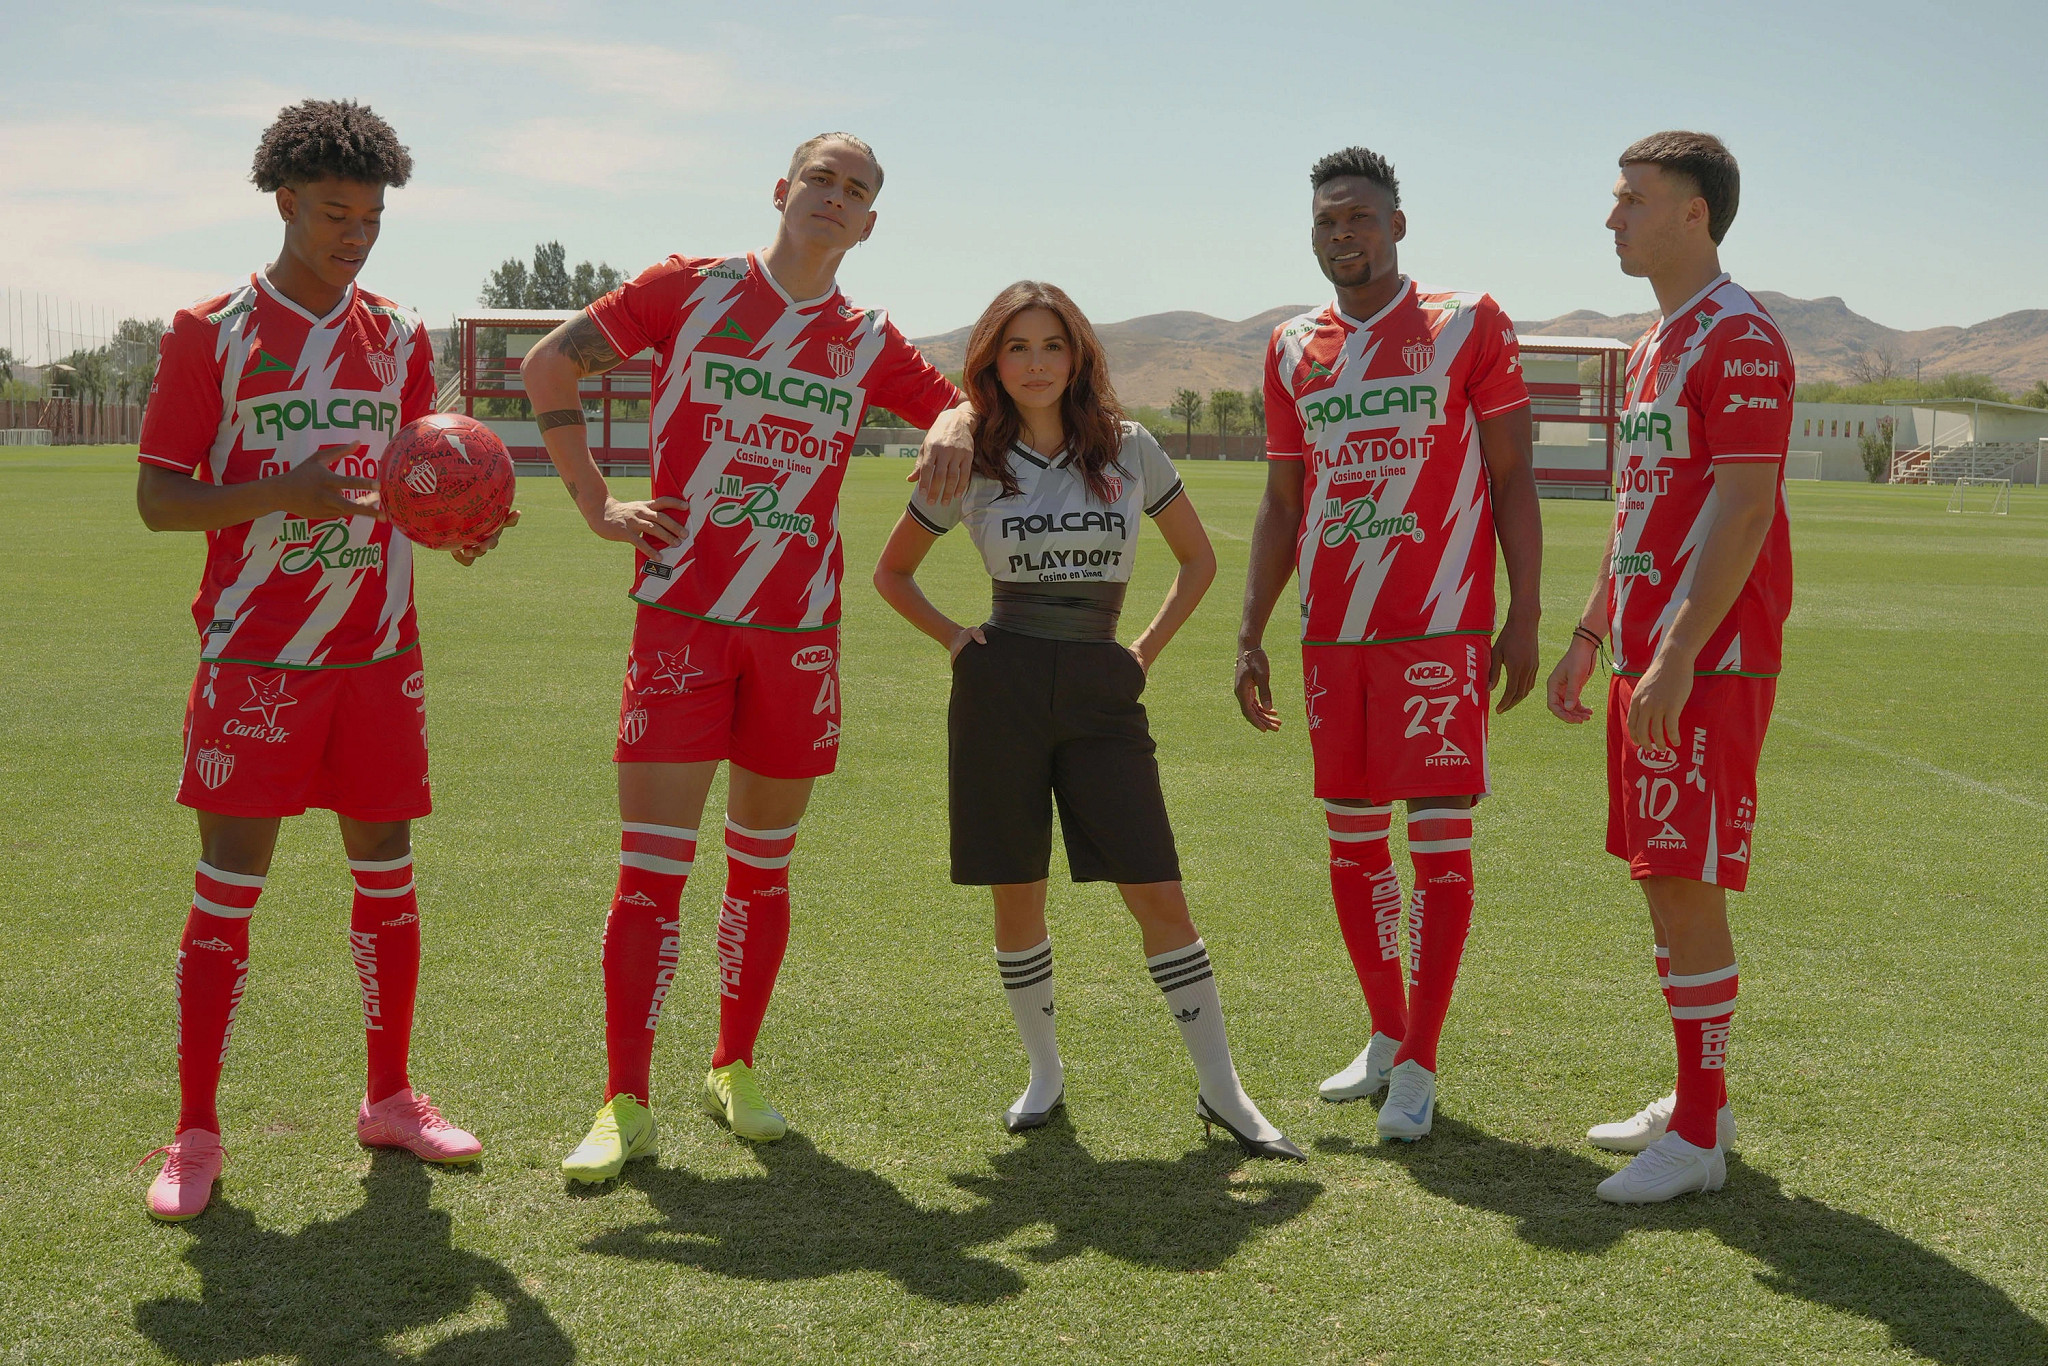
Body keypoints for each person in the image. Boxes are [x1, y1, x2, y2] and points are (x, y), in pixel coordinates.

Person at [522, 133, 972, 1182]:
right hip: (681, 616)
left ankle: (733, 1067)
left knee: (761, 871)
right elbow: (550, 363)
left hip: (797, 634)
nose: (835, 197)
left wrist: (950, 413)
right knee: (652, 874)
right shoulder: (690, 290)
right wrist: (594, 502)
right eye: (821, 179)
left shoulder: (866, 339)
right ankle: (621, 1099)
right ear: (782, 190)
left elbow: (958, 405)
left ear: (868, 224)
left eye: (857, 190)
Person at [134, 99, 512, 1221]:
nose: (356, 233)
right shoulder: (210, 330)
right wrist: (278, 493)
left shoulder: (397, 336)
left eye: (373, 216)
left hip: (377, 650)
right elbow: (160, 500)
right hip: (256, 651)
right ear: (287, 203)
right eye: (336, 213)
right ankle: (196, 1129)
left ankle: (389, 1095)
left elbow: (412, 478)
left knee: (386, 868)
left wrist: (457, 524)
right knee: (229, 886)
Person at [873, 281, 1303, 1160]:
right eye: (1017, 347)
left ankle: (1225, 1093)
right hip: (1002, 686)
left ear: (1080, 356)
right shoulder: (970, 457)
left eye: (1053, 345)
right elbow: (892, 575)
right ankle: (1044, 1075)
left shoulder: (1128, 447)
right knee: (1015, 889)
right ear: (993, 360)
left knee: (1158, 889)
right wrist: (960, 643)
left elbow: (1197, 562)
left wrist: (1139, 654)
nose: (1036, 364)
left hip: (1104, 683)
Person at [1234, 146, 1541, 1142]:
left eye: (1359, 217)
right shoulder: (1289, 348)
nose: (1341, 234)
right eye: (1325, 220)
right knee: (1352, 839)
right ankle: (1383, 1030)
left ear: (1397, 226)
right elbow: (1283, 500)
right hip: (1332, 636)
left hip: (1437, 628)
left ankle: (1419, 1060)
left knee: (1436, 835)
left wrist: (1522, 612)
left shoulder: (1465, 324)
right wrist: (1249, 629)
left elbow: (1511, 479)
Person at [1546, 131, 1792, 1203]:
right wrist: (1593, 633)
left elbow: (1742, 511)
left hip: (1706, 659)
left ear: (1692, 213)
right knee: (1656, 875)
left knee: (1684, 880)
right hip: (1648, 654)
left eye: (1629, 198)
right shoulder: (1652, 345)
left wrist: (1678, 653)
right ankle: (1704, 1099)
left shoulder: (1738, 339)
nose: (1611, 216)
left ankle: (1695, 1137)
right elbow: (1634, 511)